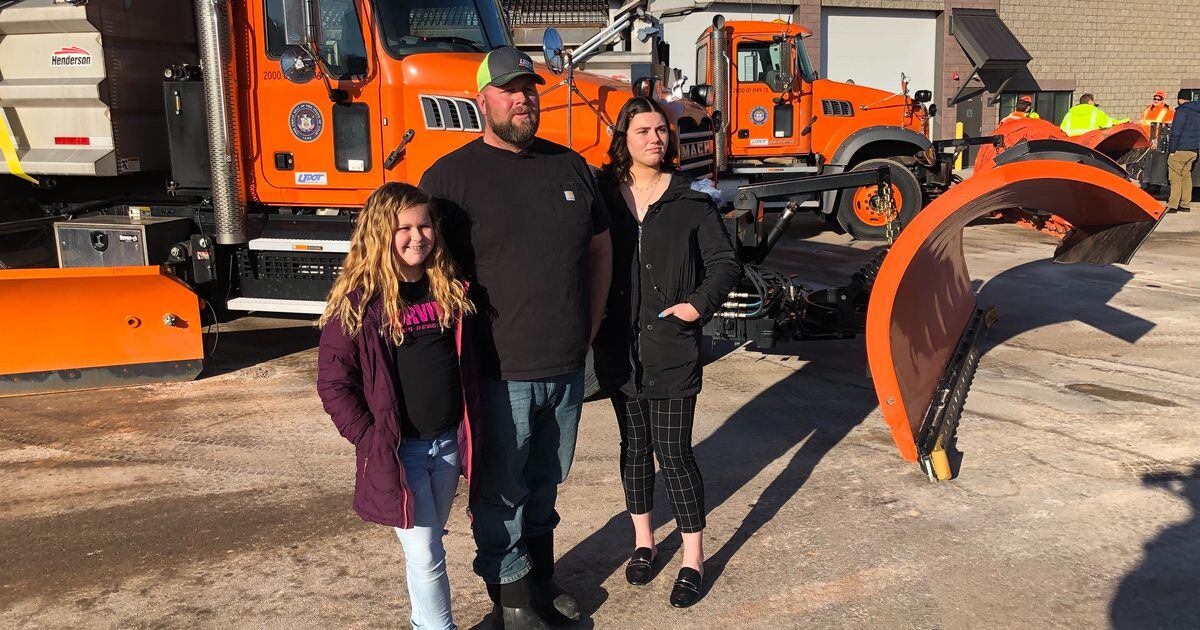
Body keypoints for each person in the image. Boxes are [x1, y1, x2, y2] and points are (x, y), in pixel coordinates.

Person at [419, 46, 612, 630]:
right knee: (500, 492)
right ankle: (511, 601)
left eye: (529, 87)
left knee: (546, 483)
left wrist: (592, 326)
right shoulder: (450, 178)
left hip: (566, 365)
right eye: (509, 89)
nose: (523, 98)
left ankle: (542, 580)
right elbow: (421, 266)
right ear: (483, 100)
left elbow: (601, 250)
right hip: (499, 369)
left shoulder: (571, 166)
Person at [593, 97, 742, 609]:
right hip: (620, 349)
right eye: (643, 131)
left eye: (661, 130)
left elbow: (725, 263)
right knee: (634, 449)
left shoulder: (691, 201)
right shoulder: (605, 198)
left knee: (674, 452)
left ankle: (693, 558)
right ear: (624, 139)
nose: (655, 138)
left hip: (671, 348)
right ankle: (643, 543)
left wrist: (697, 306)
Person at [316, 182, 479, 630]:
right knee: (426, 551)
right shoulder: (358, 302)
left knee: (426, 544)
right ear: (378, 233)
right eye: (402, 227)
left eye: (424, 225)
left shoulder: (449, 287)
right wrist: (370, 438)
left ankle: (421, 622)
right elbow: (333, 383)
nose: (416, 236)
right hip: (398, 450)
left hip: (447, 445)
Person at [1167, 90, 1200, 213]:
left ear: (1180, 99)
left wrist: (1172, 150)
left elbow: (1176, 132)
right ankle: (1185, 204)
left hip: (1181, 149)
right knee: (1186, 176)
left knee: (1175, 177)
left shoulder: (1181, 111)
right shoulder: (1197, 112)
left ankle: (1173, 204)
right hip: (1193, 150)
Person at [1060, 93, 1127, 136]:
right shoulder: (1095, 112)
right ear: (1090, 102)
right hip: (1090, 140)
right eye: (1093, 101)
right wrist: (1125, 120)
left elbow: (1063, 128)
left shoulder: (1070, 113)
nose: (1094, 103)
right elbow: (1108, 123)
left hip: (1073, 141)